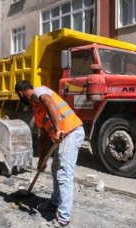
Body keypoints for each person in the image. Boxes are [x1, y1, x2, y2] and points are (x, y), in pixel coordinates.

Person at [15, 80, 85, 227]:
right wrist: (42, 160)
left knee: (64, 174)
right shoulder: (36, 108)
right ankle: (55, 203)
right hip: (63, 137)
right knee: (55, 169)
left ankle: (63, 218)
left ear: (21, 93)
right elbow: (44, 136)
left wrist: (58, 128)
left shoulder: (40, 91)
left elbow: (50, 102)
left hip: (70, 132)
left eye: (19, 96)